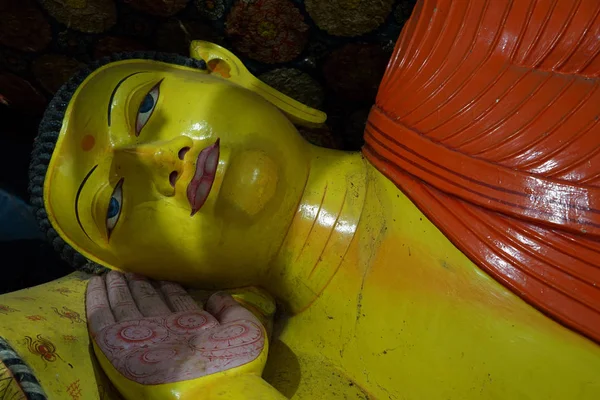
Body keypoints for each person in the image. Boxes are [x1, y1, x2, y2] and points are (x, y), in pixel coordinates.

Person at [1, 0, 600, 398]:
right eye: (111, 204)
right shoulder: (291, 377)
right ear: (152, 276)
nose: (158, 161)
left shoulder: (459, 58)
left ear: (224, 71)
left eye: (147, 108)